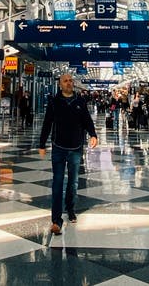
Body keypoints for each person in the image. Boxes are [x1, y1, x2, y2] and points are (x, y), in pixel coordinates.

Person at [38, 72, 98, 234]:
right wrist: (42, 143)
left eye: (71, 80)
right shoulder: (54, 102)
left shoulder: (80, 101)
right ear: (60, 84)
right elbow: (47, 123)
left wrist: (93, 134)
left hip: (76, 147)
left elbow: (87, 120)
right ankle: (56, 220)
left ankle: (70, 209)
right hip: (58, 147)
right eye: (65, 81)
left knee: (73, 182)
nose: (69, 83)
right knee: (57, 183)